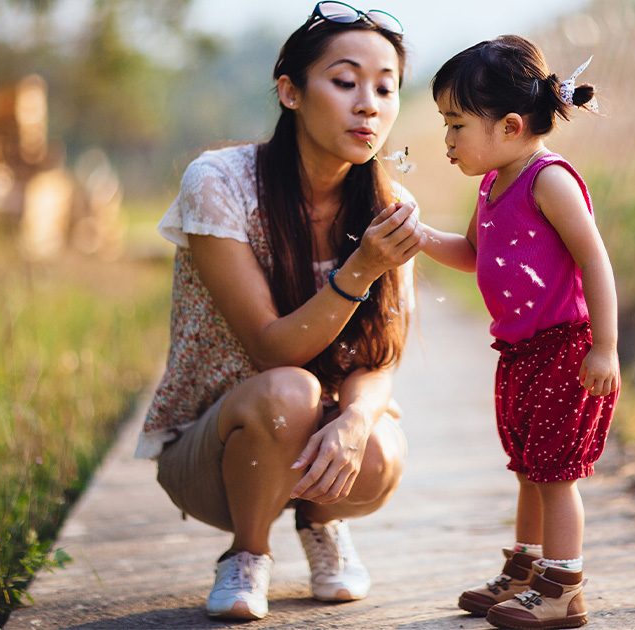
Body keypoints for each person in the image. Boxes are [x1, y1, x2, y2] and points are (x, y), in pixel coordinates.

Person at [133, 1, 424, 621]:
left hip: (315, 448)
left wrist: (352, 422)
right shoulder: (220, 181)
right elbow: (271, 348)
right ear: (290, 92)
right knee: (289, 387)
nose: (368, 104)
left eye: (384, 88)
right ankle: (248, 552)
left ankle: (322, 525)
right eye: (344, 82)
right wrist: (360, 269)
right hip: (213, 449)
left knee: (378, 442)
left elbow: (383, 356)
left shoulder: (390, 204)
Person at [419, 35, 621, 629]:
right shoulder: (491, 185)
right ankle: (527, 570)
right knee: (530, 469)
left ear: (509, 125)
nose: (447, 140)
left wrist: (605, 346)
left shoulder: (547, 181)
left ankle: (562, 585)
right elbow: (470, 252)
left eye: (456, 124)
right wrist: (416, 233)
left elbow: (595, 261)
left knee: (555, 475)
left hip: (566, 350)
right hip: (521, 353)